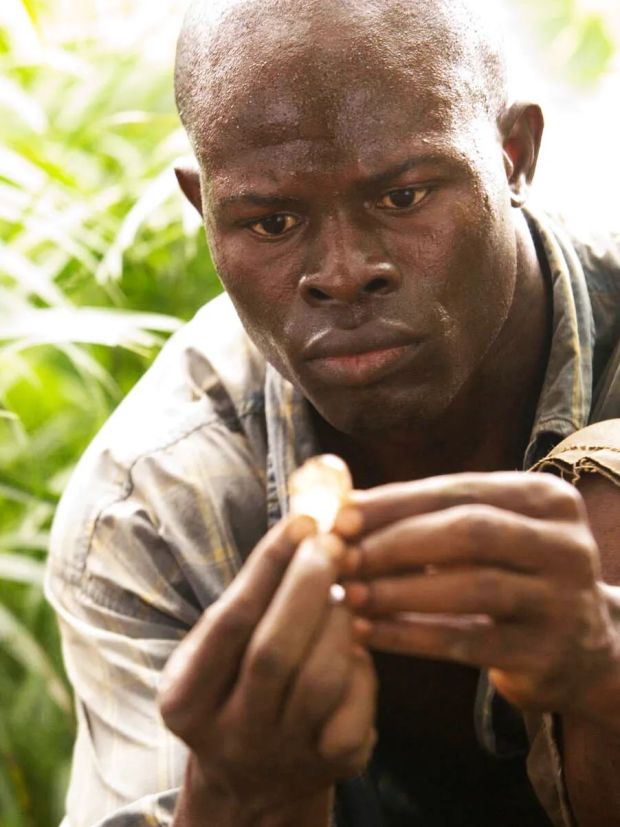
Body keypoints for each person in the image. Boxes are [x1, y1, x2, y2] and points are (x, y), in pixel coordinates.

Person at [46, 0, 620, 825]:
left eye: (404, 196)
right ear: (204, 209)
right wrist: (240, 796)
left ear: (514, 155)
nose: (344, 273)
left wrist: (605, 670)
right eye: (273, 221)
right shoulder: (154, 503)